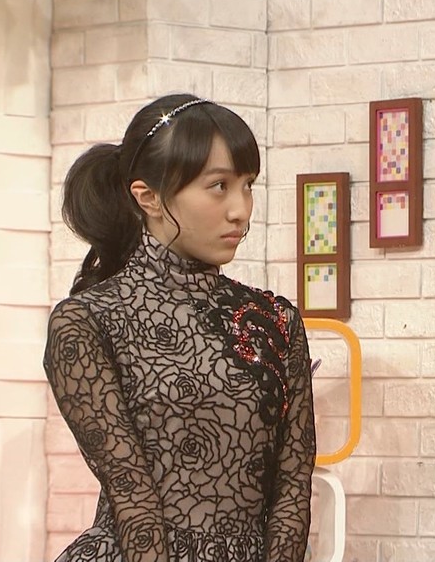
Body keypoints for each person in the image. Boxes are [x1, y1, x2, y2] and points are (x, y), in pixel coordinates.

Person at [44, 94, 315, 562]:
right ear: (147, 197)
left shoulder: (276, 319)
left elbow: (294, 485)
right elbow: (134, 502)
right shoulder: (86, 321)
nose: (241, 210)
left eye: (248, 185)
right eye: (219, 186)